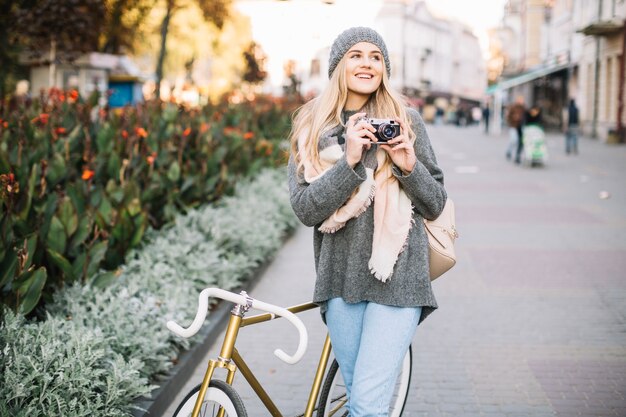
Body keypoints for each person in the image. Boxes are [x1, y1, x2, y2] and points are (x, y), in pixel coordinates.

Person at [287, 27, 446, 416]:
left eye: (375, 56)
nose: (366, 63)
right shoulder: (312, 128)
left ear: (384, 69)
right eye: (356, 55)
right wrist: (350, 161)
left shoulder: (404, 121)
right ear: (339, 65)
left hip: (400, 279)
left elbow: (436, 203)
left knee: (367, 407)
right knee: (360, 396)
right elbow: (307, 210)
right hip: (340, 279)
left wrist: (409, 166)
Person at [506, 96, 526, 163]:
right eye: (520, 100)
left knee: (520, 141)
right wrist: (513, 119)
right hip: (513, 126)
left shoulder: (523, 108)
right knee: (513, 140)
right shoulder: (513, 107)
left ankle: (517, 156)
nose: (521, 101)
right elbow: (508, 116)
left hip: (521, 127)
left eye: (522, 100)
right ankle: (509, 151)